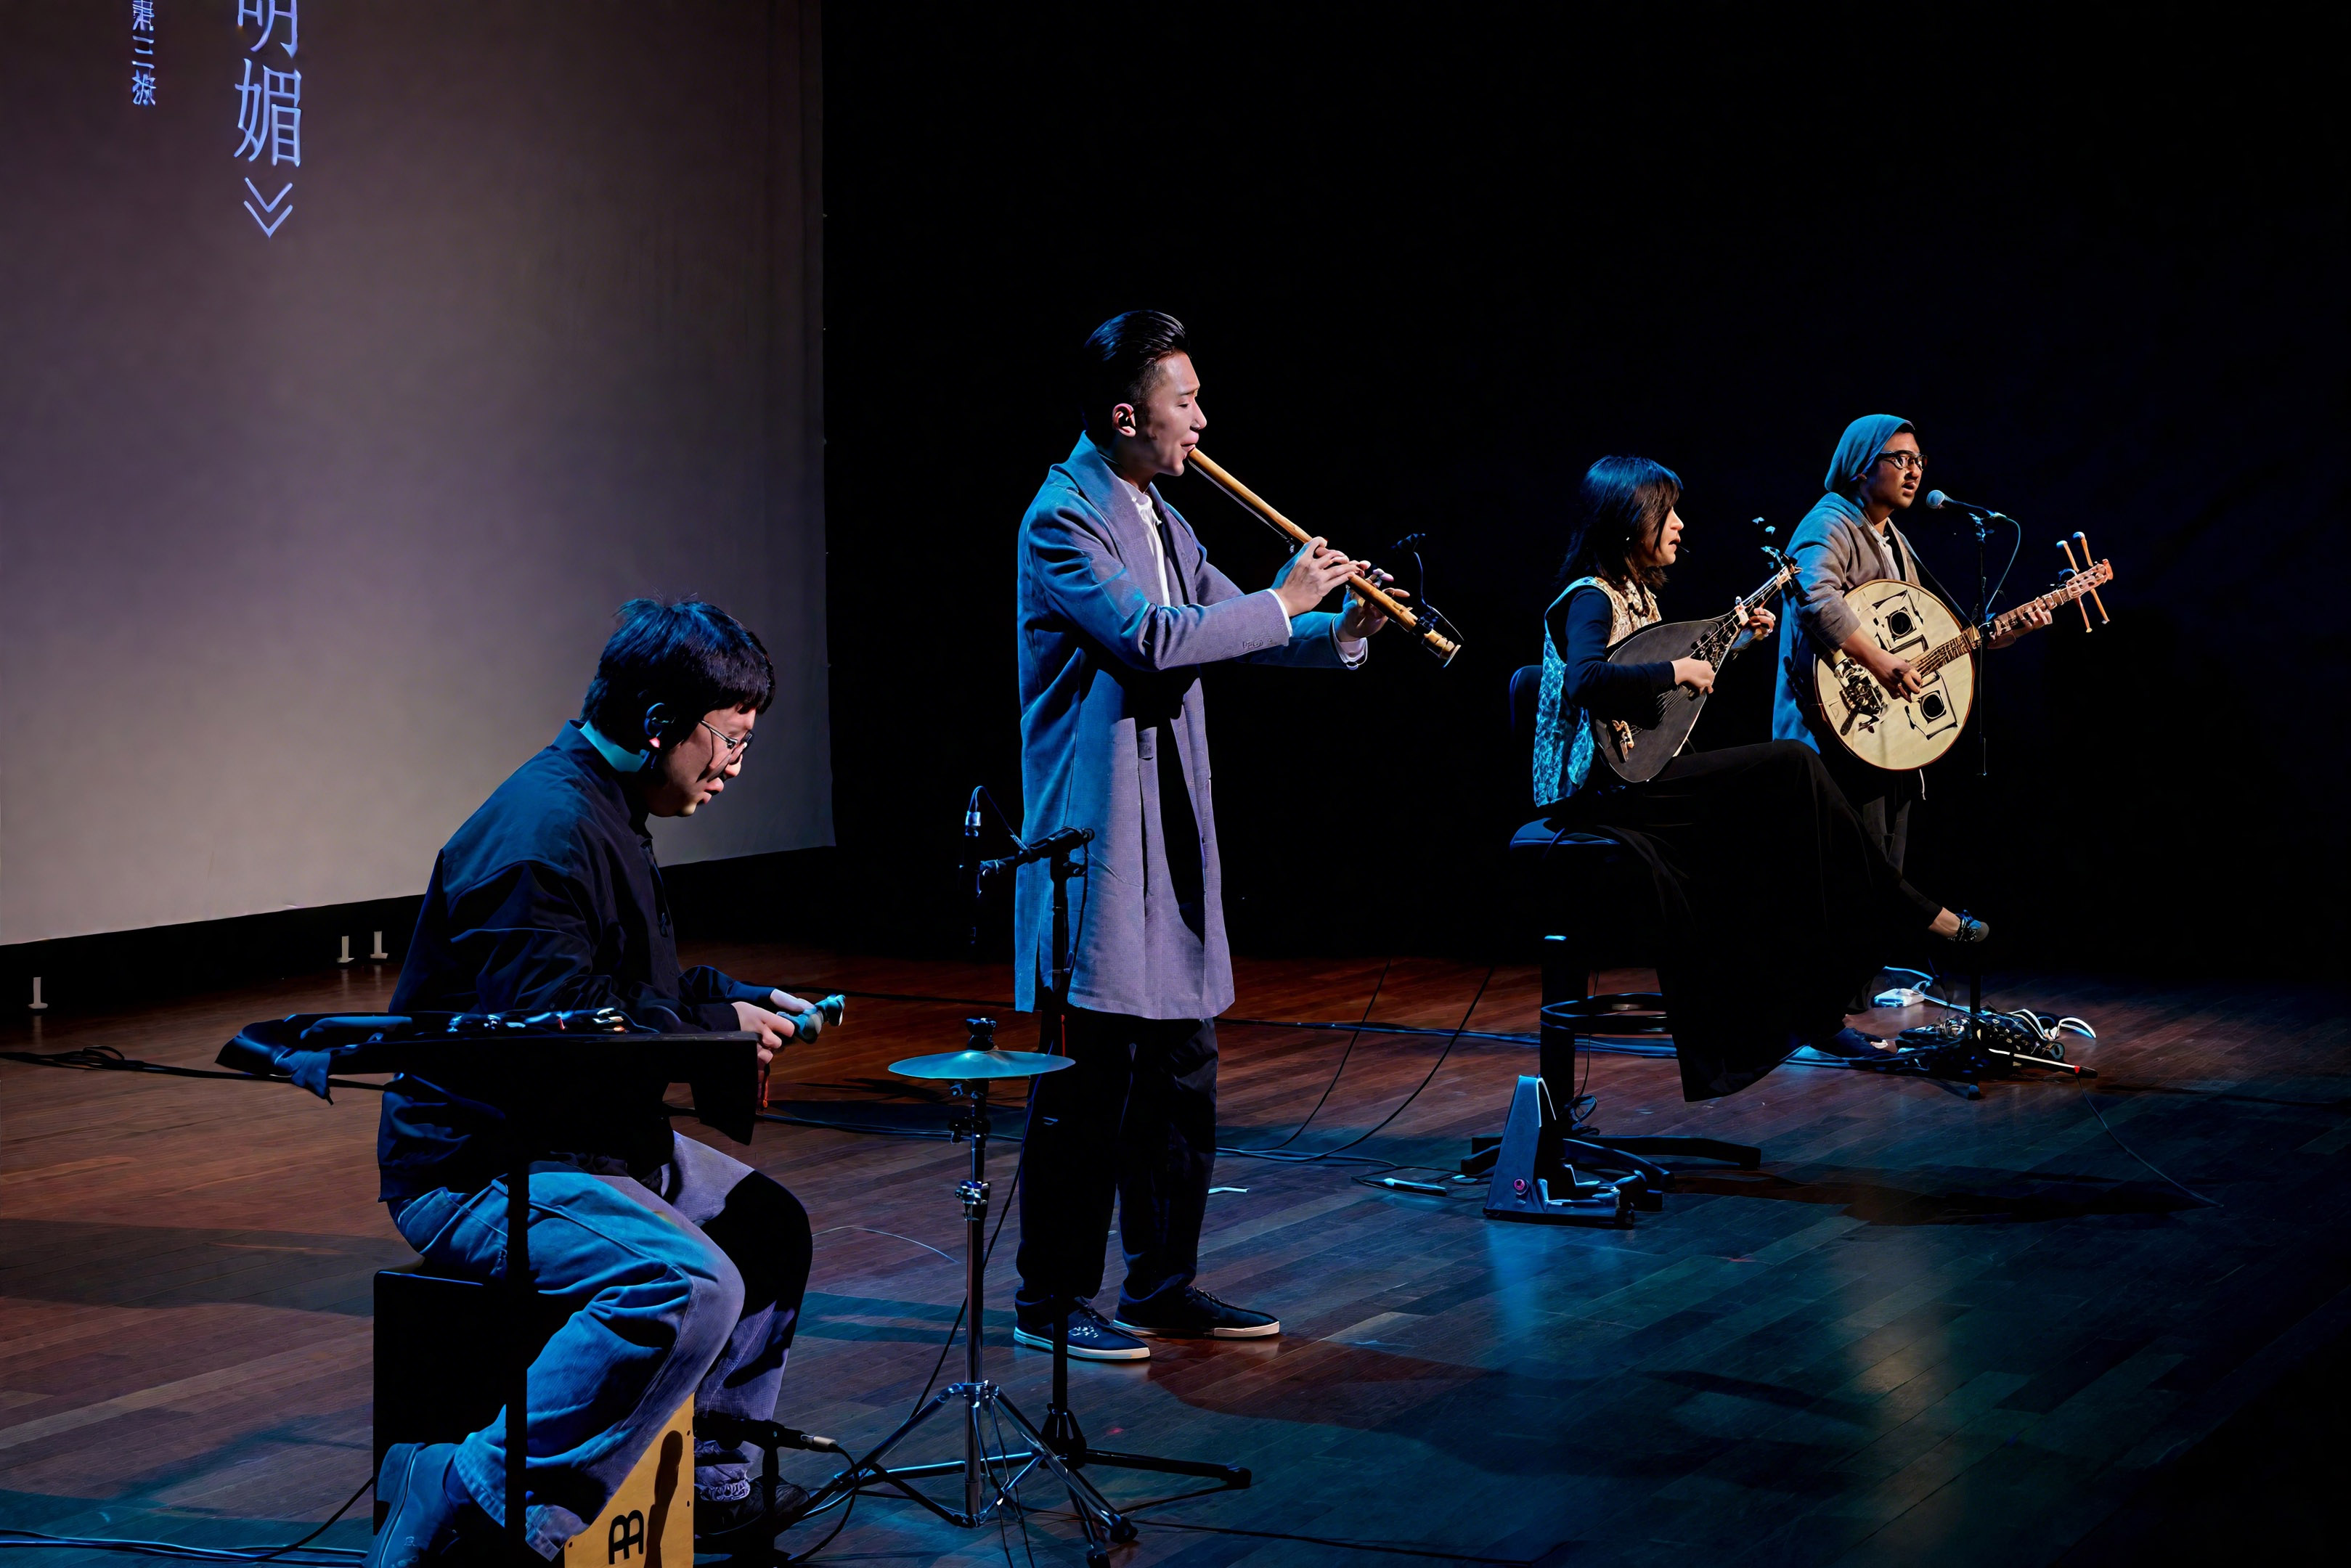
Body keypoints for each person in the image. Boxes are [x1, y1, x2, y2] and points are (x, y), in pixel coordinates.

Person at [367, 600, 819, 1567]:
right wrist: (711, 1032)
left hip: (583, 1139)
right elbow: (556, 1032)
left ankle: (711, 1479)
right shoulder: (541, 833)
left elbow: (617, 986)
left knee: (765, 1227)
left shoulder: (604, 807)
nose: (736, 767)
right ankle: (467, 1485)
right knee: (686, 1283)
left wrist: (728, 1001)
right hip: (483, 1166)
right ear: (659, 724)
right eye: (730, 740)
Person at [1009, 310, 1395, 1361]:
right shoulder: (1063, 518)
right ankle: (1048, 1299)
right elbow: (1151, 639)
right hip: (1096, 837)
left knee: (1182, 1073)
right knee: (1088, 1084)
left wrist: (1340, 625)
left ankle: (1162, 1284)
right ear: (1126, 416)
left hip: (1169, 828)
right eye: (1184, 401)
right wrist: (1284, 597)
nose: (1201, 420)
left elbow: (1241, 628)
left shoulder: (1162, 518)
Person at [1533, 456, 1984, 1099]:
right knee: (1790, 764)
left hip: (1637, 780)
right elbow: (1588, 681)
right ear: (1631, 522)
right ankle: (1902, 910)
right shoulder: (1590, 597)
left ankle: (1819, 1004)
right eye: (1668, 513)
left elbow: (1654, 692)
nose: (1680, 526)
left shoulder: (1639, 597)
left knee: (1783, 816)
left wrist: (1733, 646)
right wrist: (1676, 672)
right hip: (1597, 796)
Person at [1770, 415, 2046, 1019]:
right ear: (1860, 466)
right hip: (1832, 734)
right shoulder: (1829, 522)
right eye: (1899, 459)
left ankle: (1845, 1006)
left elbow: (1924, 639)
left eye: (1919, 460)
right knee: (1852, 870)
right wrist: (1879, 661)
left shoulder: (1893, 539)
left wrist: (1998, 636)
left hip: (1882, 735)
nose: (1914, 470)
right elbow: (1815, 597)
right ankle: (1821, 1010)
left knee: (1880, 863)